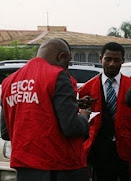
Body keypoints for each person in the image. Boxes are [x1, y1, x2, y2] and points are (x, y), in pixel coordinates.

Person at [0, 38, 90, 181]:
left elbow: (6, 132)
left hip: (25, 168)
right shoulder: (58, 75)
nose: (67, 67)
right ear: (60, 57)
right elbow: (71, 127)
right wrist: (84, 117)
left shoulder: (8, 82)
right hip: (59, 167)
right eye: (68, 61)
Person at [79, 42, 131, 181]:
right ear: (101, 59)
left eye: (117, 60)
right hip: (99, 152)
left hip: (128, 151)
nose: (112, 64)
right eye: (108, 59)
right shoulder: (87, 89)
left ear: (123, 61)